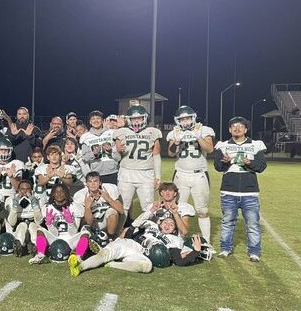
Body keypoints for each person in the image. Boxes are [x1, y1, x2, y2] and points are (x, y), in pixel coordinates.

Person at [214, 116, 267, 262]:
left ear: (246, 129)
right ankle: (225, 248)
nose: (237, 129)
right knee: (227, 222)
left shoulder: (256, 145)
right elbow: (218, 167)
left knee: (252, 223)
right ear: (229, 129)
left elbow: (262, 166)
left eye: (240, 126)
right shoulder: (222, 145)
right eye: (234, 126)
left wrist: (250, 163)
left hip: (249, 191)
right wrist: (224, 162)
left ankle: (254, 251)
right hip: (228, 190)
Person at [167, 106, 215, 241]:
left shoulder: (203, 130)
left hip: (199, 174)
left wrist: (198, 137)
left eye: (187, 118)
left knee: (202, 210)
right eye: (182, 119)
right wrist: (176, 142)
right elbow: (171, 153)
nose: (185, 122)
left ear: (193, 118)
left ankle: (206, 242)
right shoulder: (175, 132)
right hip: (181, 174)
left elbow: (209, 148)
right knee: (178, 209)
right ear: (178, 121)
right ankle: (177, 239)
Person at [112, 104, 162, 224]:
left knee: (148, 207)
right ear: (129, 119)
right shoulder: (121, 132)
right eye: (134, 118)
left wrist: (158, 176)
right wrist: (116, 150)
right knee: (123, 206)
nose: (137, 121)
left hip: (146, 173)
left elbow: (156, 155)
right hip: (126, 172)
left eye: (139, 118)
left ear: (145, 118)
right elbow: (116, 158)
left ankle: (150, 232)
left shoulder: (152, 132)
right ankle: (119, 233)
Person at [28, 183, 90, 265]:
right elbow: (55, 233)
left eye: (62, 191)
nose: (59, 194)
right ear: (53, 194)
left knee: (86, 233)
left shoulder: (75, 207)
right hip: (55, 238)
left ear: (66, 193)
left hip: (71, 240)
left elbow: (73, 233)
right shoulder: (48, 207)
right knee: (40, 230)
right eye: (56, 192)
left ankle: (78, 257)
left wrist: (70, 222)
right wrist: (49, 224)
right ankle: (40, 255)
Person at [73, 171, 123, 240]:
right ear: (86, 184)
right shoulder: (81, 195)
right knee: (84, 227)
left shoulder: (108, 189)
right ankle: (83, 246)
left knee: (112, 212)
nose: (93, 184)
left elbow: (121, 210)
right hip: (91, 224)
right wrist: (87, 208)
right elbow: (88, 222)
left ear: (100, 183)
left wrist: (109, 199)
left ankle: (110, 238)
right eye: (90, 181)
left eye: (95, 181)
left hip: (106, 222)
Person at [79, 110, 119, 186]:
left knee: (114, 196)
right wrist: (93, 153)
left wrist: (111, 150)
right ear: (90, 122)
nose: (95, 121)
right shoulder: (85, 137)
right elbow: (85, 157)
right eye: (93, 119)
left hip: (113, 171)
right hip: (96, 173)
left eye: (98, 118)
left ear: (103, 120)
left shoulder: (112, 133)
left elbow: (119, 153)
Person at [4, 179, 43, 255]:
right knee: (22, 226)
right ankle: (19, 246)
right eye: (22, 189)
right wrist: (15, 206)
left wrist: (35, 206)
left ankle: (35, 246)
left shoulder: (38, 199)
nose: (25, 191)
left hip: (33, 224)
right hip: (19, 225)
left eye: (27, 189)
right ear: (18, 190)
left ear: (31, 190)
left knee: (32, 226)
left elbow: (39, 221)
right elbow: (12, 223)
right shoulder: (11, 200)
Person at [33, 144, 75, 208]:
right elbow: (40, 182)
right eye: (51, 154)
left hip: (64, 202)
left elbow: (70, 182)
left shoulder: (68, 168)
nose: (54, 157)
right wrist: (49, 177)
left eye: (56, 154)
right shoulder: (40, 169)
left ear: (60, 156)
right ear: (47, 157)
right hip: (46, 202)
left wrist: (62, 177)